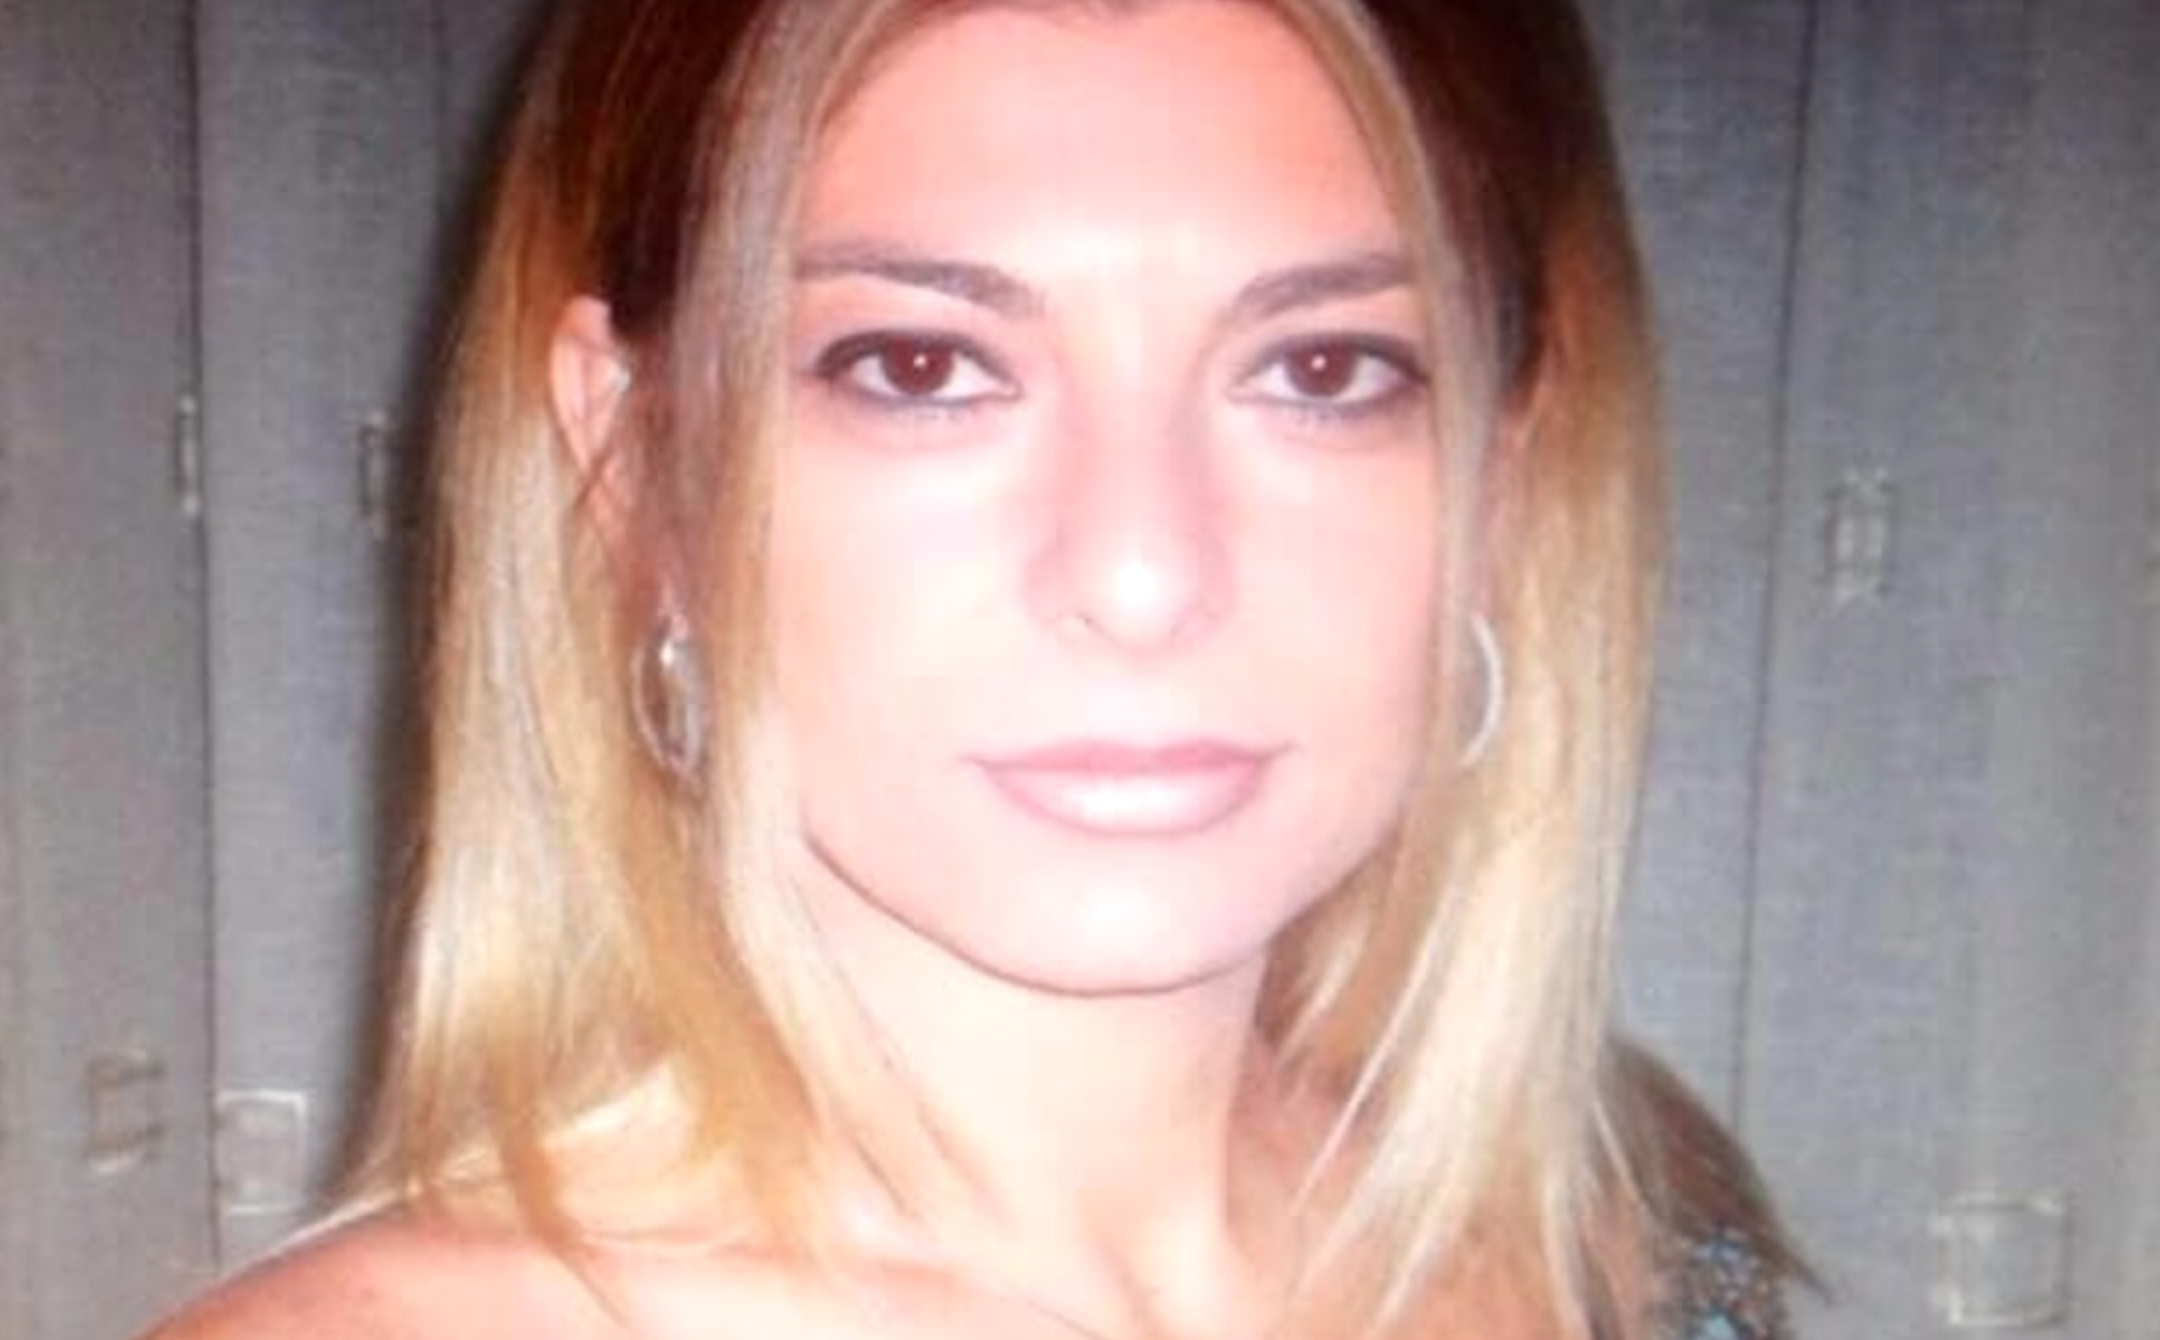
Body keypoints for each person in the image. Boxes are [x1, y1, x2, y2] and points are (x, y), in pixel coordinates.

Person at [150, 1, 1805, 1337]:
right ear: (630, 469)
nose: (1144, 576)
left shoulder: (1622, 1234)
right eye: (922, 366)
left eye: (1324, 369)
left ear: (1506, 476)